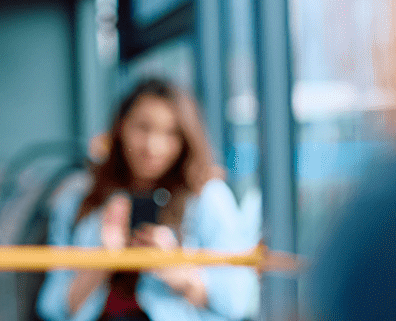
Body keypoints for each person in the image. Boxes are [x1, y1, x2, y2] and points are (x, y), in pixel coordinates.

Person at [37, 79, 256, 321]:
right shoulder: (79, 199)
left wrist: (178, 271)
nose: (154, 146)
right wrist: (101, 261)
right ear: (121, 127)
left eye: (171, 132)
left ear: (186, 138)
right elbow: (52, 309)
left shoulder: (207, 197)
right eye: (143, 128)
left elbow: (237, 302)